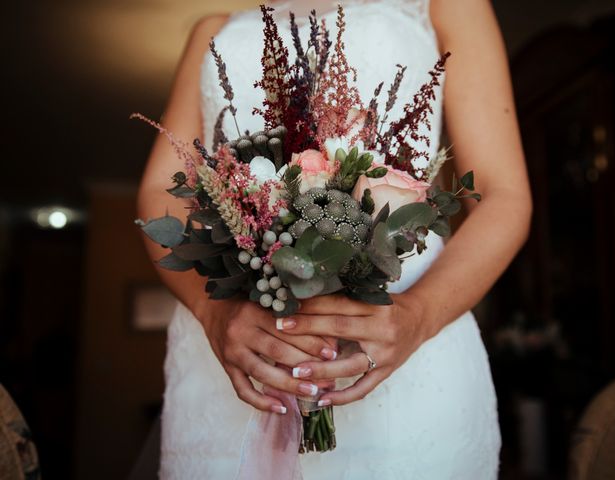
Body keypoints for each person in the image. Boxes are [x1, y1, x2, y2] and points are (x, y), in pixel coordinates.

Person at [137, 0, 532, 478]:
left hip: (407, 366)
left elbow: (503, 195)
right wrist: (211, 311)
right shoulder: (212, 30)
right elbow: (162, 188)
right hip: (229, 359)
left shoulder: (446, 7)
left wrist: (419, 315)